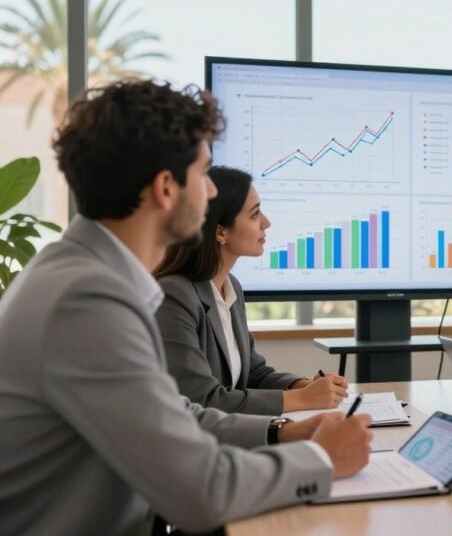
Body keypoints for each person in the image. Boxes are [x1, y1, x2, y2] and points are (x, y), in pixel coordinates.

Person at [0, 79, 373, 536]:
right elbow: (201, 492)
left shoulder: (83, 276)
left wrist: (281, 432)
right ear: (165, 189)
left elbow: (171, 413)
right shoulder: (86, 301)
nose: (213, 194)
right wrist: (321, 459)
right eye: (203, 174)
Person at [154, 166, 347, 415]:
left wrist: (302, 386)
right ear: (221, 231)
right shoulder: (174, 296)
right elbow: (201, 399)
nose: (266, 222)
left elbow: (253, 374)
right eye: (255, 214)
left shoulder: (230, 286)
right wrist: (301, 399)